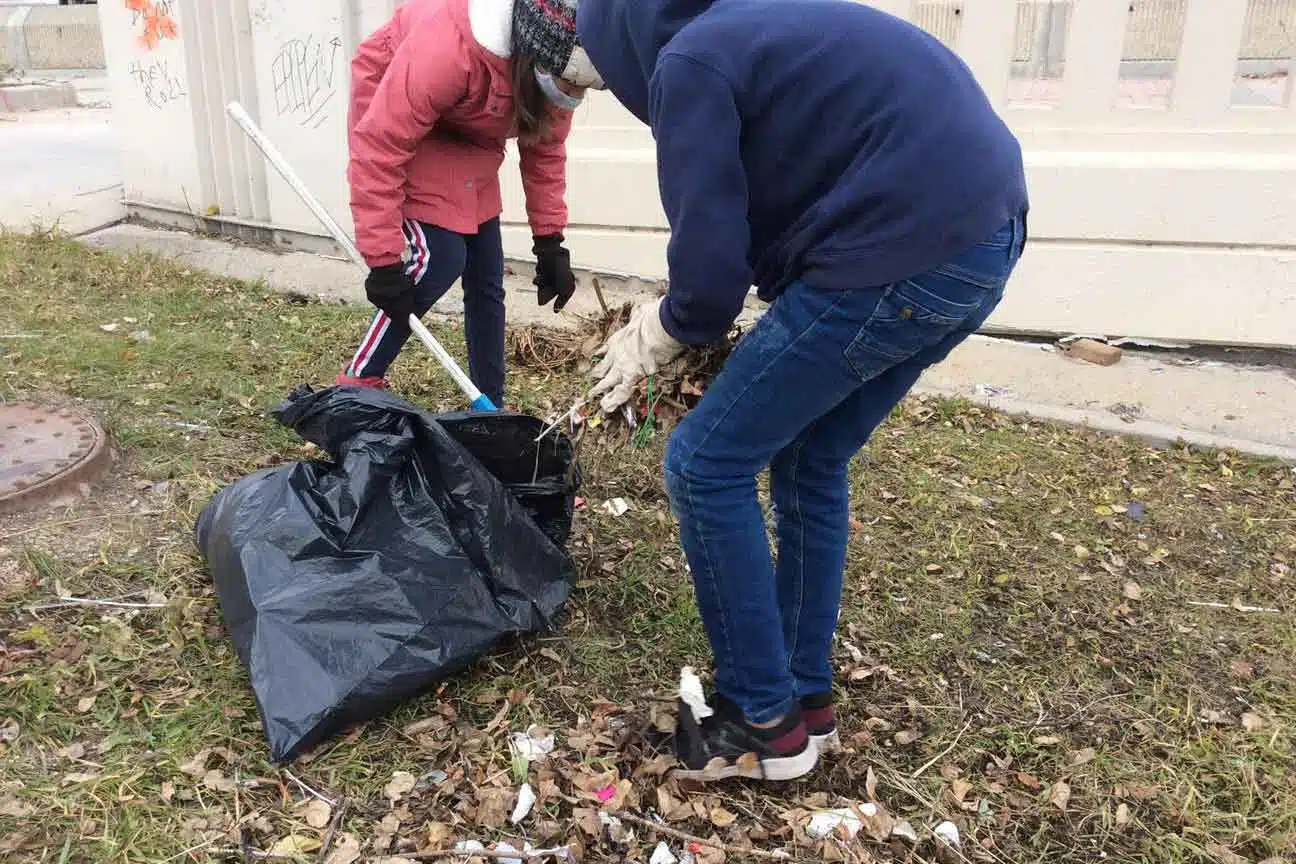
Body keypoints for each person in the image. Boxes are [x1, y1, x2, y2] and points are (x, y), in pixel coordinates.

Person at [578, 0, 1029, 781]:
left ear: (620, 33)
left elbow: (710, 284)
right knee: (811, 458)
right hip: (983, 241)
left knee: (704, 463)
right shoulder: (758, 28)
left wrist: (665, 329)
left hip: (898, 251)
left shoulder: (688, 63)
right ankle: (805, 706)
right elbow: (786, 190)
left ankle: (762, 722)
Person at [340, 0, 604, 408]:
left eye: (581, 87)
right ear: (534, 55)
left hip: (472, 125)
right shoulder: (450, 49)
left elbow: (545, 152)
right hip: (398, 102)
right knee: (440, 257)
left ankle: (490, 403)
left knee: (486, 271)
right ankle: (357, 381)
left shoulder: (557, 70)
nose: (572, 94)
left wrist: (550, 241)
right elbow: (381, 145)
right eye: (567, 82)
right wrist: (383, 259)